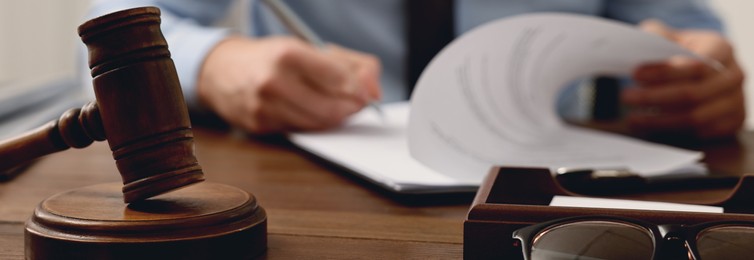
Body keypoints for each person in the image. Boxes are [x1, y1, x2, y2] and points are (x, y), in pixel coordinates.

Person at [84, 0, 745, 139]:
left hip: (558, 186)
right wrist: (216, 64)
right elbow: (119, 19)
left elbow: (688, 29)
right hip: (313, 175)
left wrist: (701, 71)